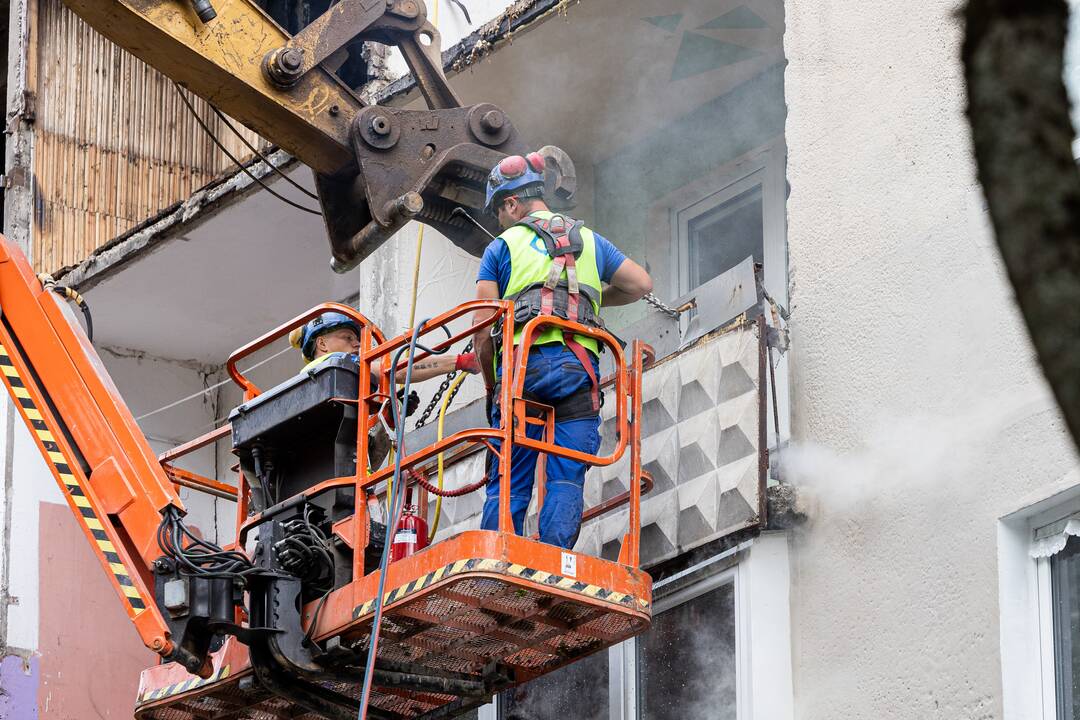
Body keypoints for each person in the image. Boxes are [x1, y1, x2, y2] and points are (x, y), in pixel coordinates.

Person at [472, 152, 653, 549]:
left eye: (498, 213)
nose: (499, 223)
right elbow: (640, 284)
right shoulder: (590, 239)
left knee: (511, 478)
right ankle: (556, 560)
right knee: (566, 478)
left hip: (524, 373)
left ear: (511, 203)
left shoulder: (501, 247)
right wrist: (589, 301)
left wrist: (491, 386)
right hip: (578, 372)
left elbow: (482, 331)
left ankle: (497, 559)